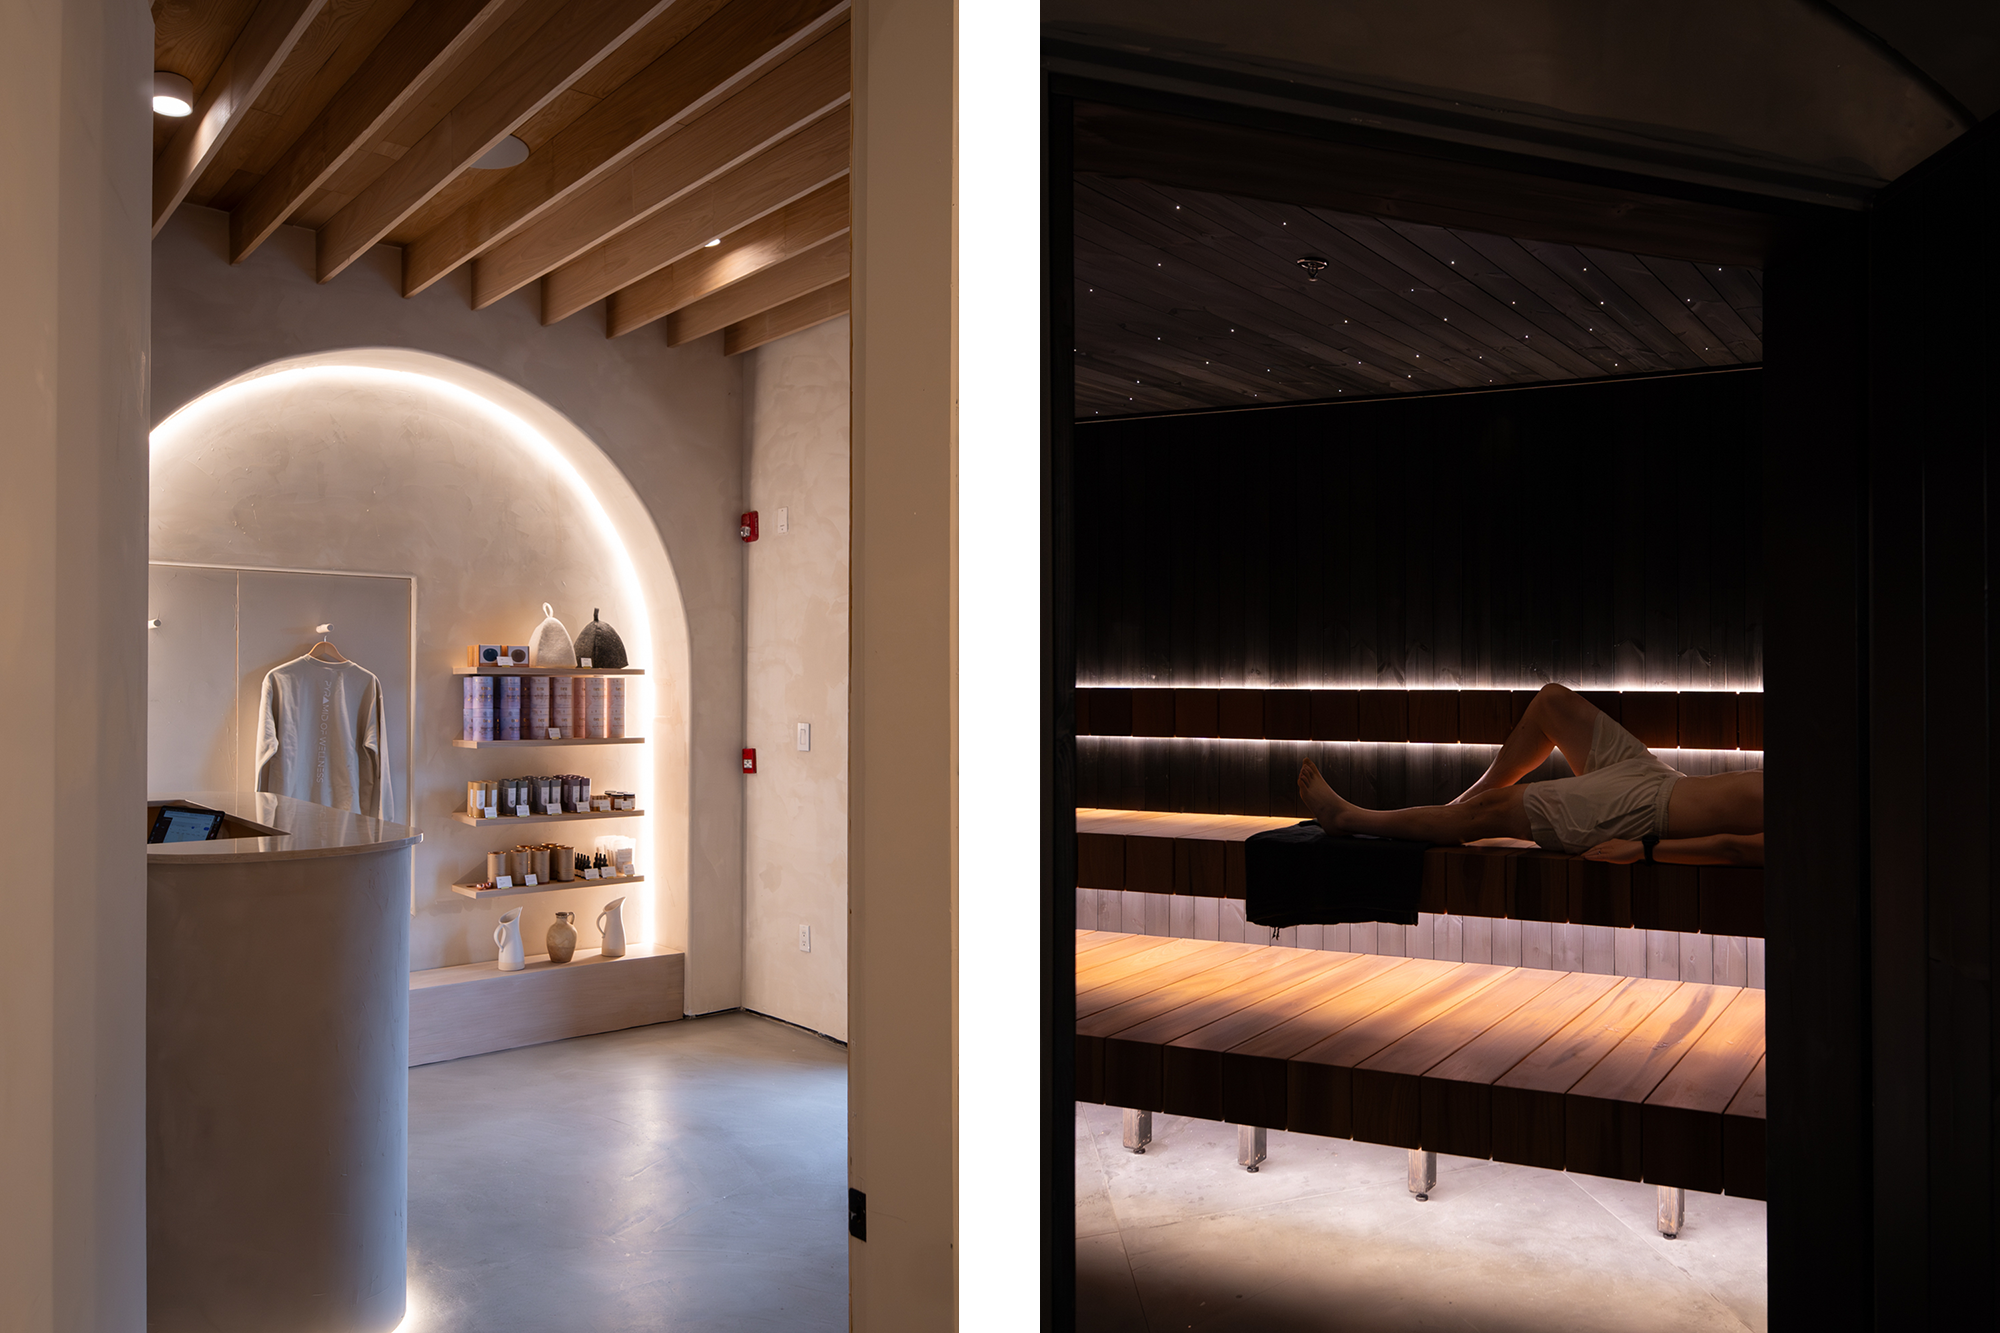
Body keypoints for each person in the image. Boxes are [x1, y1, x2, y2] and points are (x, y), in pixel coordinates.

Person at [1295, 683, 1763, 866]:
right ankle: (1458, 808)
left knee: (1497, 811)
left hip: (1643, 813)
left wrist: (1642, 850)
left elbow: (1734, 849)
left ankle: (1349, 819)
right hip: (1659, 779)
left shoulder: (1820, 836)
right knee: (1552, 702)